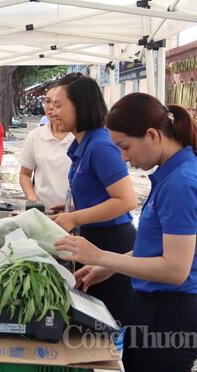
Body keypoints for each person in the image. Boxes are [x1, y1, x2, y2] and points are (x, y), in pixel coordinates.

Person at [56, 93, 197, 372]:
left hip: (169, 317)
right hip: (155, 309)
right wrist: (109, 268)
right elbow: (158, 248)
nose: (124, 158)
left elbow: (175, 270)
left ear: (152, 135)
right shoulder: (172, 173)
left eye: (125, 147)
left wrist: (101, 256)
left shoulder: (181, 183)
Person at [49, 75, 137, 326]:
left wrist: (75, 217)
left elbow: (126, 200)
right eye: (50, 104)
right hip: (91, 239)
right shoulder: (83, 143)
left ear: (81, 106)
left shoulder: (101, 145)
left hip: (112, 242)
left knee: (106, 326)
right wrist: (73, 207)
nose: (52, 111)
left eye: (58, 105)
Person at [18, 75, 82, 211]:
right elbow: (25, 174)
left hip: (76, 213)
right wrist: (34, 201)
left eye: (57, 103)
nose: (51, 107)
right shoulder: (35, 136)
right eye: (47, 101)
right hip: (43, 212)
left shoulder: (80, 137)